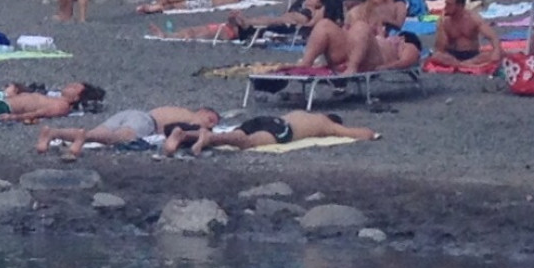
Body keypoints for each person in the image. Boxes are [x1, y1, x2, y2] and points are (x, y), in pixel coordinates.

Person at [162, 110, 379, 156]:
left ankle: (186, 136)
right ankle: (205, 138)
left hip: (267, 118)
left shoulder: (301, 112)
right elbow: (360, 133)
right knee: (245, 143)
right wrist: (372, 134)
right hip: (284, 130)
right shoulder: (325, 123)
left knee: (237, 136)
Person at [35, 106, 220, 158]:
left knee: (95, 133)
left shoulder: (178, 109)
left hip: (132, 113)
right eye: (211, 121)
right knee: (116, 138)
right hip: (146, 121)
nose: (210, 125)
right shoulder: (194, 118)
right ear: (205, 113)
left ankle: (53, 133)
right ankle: (82, 137)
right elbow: (200, 131)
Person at [426, 0, 501, 69]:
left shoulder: (473, 18)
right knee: (437, 56)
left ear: (459, 6)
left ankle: (462, 65)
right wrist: (440, 28)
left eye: (449, 4)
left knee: (493, 54)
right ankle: (464, 65)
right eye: (446, 4)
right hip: (452, 55)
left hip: (472, 54)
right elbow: (440, 49)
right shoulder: (445, 21)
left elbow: (493, 37)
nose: (446, 7)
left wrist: (496, 50)